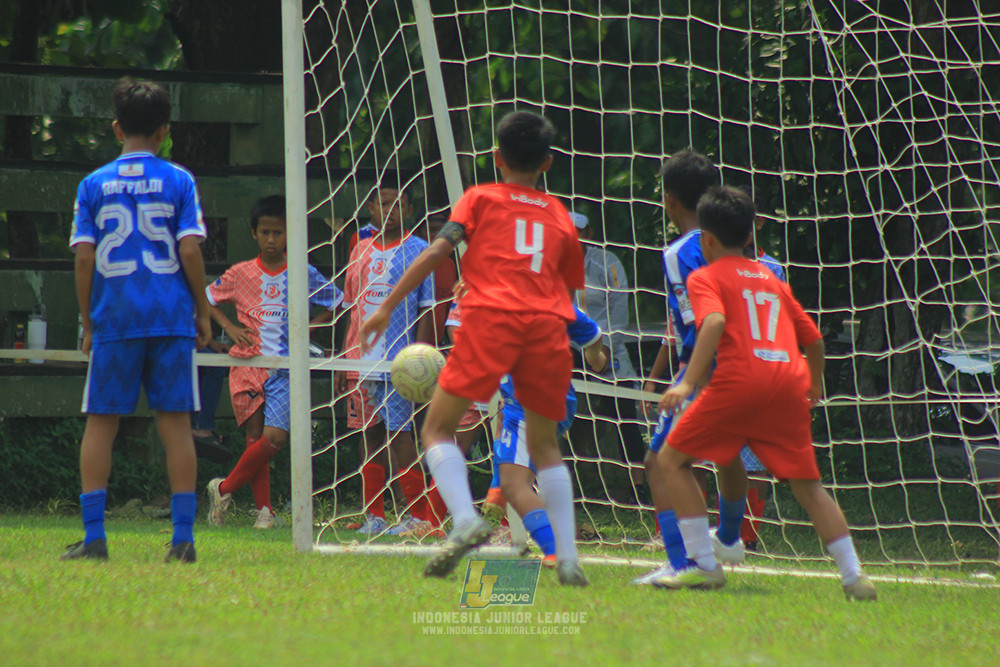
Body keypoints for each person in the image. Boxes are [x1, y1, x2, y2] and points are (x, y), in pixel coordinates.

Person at [359, 111, 589, 585]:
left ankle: (465, 521)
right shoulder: (560, 217)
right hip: (546, 330)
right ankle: (566, 557)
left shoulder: (479, 198)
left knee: (436, 428)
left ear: (497, 158)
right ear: (547, 163)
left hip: (490, 322)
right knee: (546, 447)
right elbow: (568, 296)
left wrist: (386, 308)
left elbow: (436, 252)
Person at [653, 185, 877, 601]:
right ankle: (854, 576)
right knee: (808, 485)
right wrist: (814, 383)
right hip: (787, 383)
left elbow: (713, 323)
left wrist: (686, 381)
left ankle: (703, 565)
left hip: (738, 381)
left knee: (670, 460)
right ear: (749, 234)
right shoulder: (771, 278)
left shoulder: (704, 277)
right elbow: (814, 340)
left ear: (706, 239)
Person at [63, 78, 211, 563]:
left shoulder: (92, 184)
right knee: (176, 425)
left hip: (116, 317)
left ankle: (94, 537)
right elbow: (189, 249)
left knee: (101, 423)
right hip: (169, 317)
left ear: (116, 128)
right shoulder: (180, 180)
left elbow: (85, 257)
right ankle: (183, 539)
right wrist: (203, 308)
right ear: (164, 131)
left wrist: (88, 321)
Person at [634, 149, 750, 584]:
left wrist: (690, 380)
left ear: (669, 199)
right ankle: (730, 538)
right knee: (725, 454)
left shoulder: (680, 252)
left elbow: (701, 321)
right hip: (746, 365)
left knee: (659, 461)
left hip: (706, 368)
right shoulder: (736, 248)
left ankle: (689, 562)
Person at [205, 195, 343, 528]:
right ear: (254, 233)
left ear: (289, 234)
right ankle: (264, 512)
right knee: (255, 437)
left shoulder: (302, 272)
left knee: (275, 439)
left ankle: (222, 489)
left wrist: (309, 328)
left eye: (278, 233)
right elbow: (207, 298)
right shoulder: (240, 273)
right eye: (265, 232)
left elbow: (337, 300)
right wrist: (228, 328)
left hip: (285, 368)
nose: (271, 239)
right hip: (248, 364)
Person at [335, 185, 437, 536]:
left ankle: (419, 516)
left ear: (409, 211)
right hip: (361, 361)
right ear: (371, 208)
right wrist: (343, 357)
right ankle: (374, 516)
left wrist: (420, 359)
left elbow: (427, 309)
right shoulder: (360, 250)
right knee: (370, 434)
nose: (389, 210)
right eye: (382, 203)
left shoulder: (420, 251)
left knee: (400, 434)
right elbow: (351, 309)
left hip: (400, 363)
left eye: (398, 205)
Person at [493, 305, 608, 566]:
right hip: (559, 398)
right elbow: (593, 335)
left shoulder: (497, 297)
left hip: (526, 401)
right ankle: (560, 541)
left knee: (514, 484)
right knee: (539, 464)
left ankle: (556, 549)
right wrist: (595, 357)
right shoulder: (553, 299)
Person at [570, 210, 646, 500]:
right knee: (567, 412)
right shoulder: (550, 262)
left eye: (578, 232)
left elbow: (618, 309)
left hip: (606, 345)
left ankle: (637, 487)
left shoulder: (607, 262)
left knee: (624, 413)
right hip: (567, 346)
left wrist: (605, 348)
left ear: (588, 234)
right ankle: (572, 481)